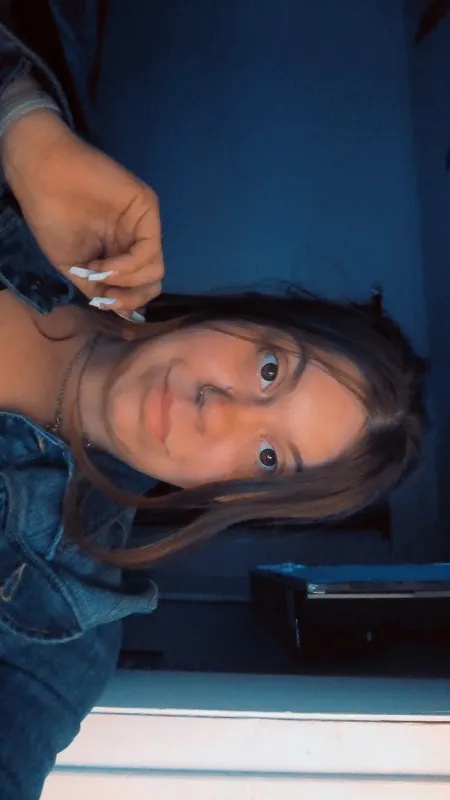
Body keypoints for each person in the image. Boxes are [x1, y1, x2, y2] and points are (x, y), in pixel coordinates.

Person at [0, 4, 426, 799]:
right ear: (243, 313)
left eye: (266, 458)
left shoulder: (58, 631)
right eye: (269, 369)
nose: (216, 410)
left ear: (233, 498)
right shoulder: (51, 176)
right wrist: (20, 121)